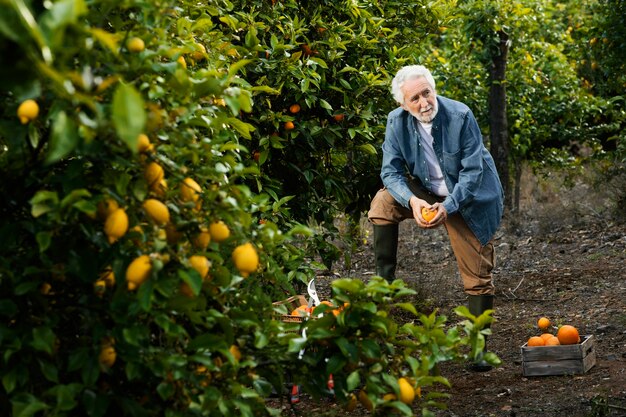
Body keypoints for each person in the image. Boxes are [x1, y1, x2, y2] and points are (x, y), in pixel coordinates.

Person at [367, 65, 504, 371]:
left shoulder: (460, 116)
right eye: (414, 98)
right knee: (383, 203)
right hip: (426, 192)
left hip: (467, 198)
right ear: (404, 104)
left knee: (477, 274)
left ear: (434, 89)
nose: (424, 103)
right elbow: (390, 171)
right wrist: (413, 201)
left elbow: (472, 172)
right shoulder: (396, 122)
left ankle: (479, 348)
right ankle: (383, 289)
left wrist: (448, 206)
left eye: (427, 93)